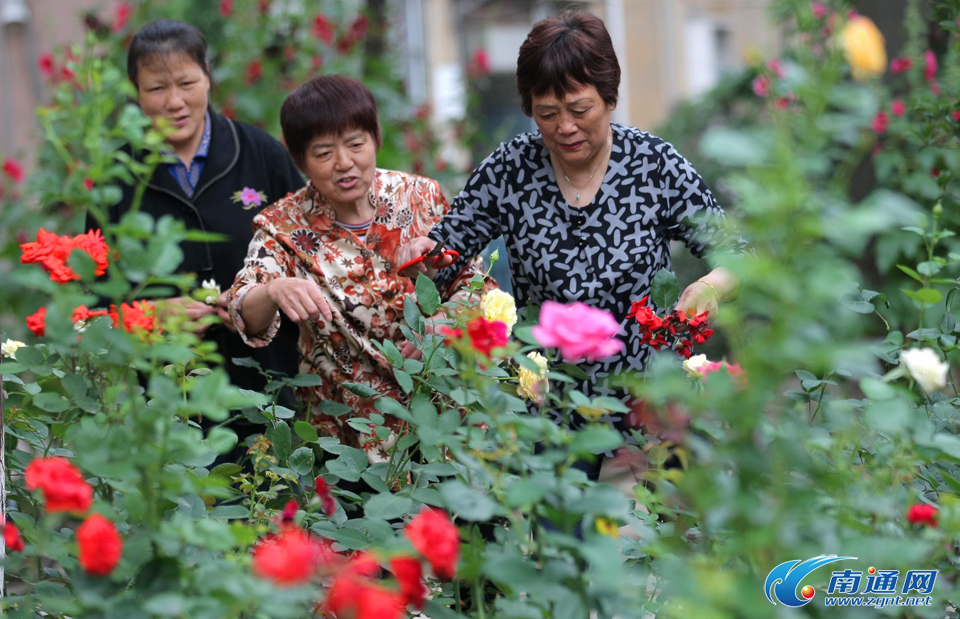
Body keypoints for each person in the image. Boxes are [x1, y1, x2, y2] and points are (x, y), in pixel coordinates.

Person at [397, 10, 745, 477]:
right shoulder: (511, 169)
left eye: (580, 110)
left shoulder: (654, 165)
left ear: (610, 98)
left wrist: (709, 287)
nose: (564, 127)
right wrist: (421, 253)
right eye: (547, 113)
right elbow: (444, 254)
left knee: (644, 542)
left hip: (648, 414)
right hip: (548, 413)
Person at [227, 75, 494, 461]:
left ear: (375, 138)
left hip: (445, 413)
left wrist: (447, 321)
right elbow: (244, 307)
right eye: (323, 153)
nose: (344, 163)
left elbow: (475, 282)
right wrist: (273, 290)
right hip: (351, 436)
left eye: (355, 144)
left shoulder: (419, 196)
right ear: (299, 159)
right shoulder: (283, 227)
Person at [85, 19, 304, 426]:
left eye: (186, 83)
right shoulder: (115, 182)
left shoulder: (261, 155)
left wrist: (257, 300)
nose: (174, 102)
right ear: (136, 91)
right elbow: (92, 310)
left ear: (208, 77)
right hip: (166, 413)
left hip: (270, 400)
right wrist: (152, 313)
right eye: (156, 88)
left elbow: (312, 254)